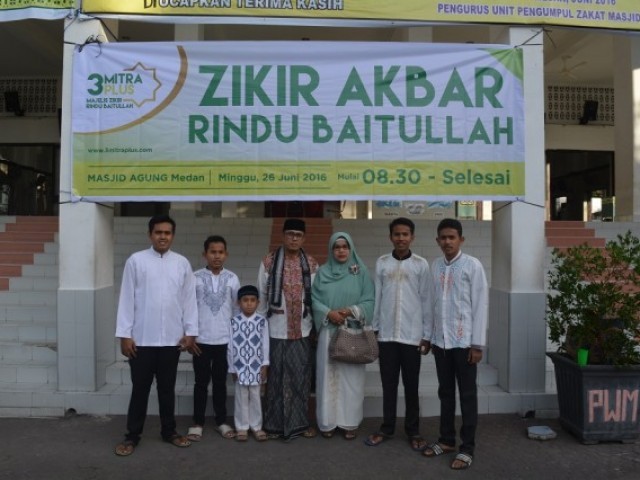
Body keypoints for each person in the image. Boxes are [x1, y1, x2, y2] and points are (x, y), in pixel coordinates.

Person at [114, 215, 198, 456]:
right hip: (141, 340)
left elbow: (189, 300)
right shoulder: (136, 261)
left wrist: (191, 331)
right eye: (158, 232)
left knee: (167, 388)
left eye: (167, 233)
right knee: (139, 389)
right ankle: (132, 436)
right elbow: (127, 298)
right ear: (150, 234)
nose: (163, 236)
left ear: (172, 235)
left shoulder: (181, 263)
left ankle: (169, 431)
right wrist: (124, 335)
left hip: (171, 341)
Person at [422, 218, 488, 471]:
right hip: (441, 343)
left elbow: (480, 305)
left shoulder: (473, 266)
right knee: (446, 393)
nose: (447, 241)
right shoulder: (435, 266)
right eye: (443, 238)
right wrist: (427, 336)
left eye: (452, 237)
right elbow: (430, 304)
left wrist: (477, 345)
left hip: (464, 344)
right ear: (437, 241)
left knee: (468, 396)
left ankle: (467, 448)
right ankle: (447, 440)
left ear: (461, 239)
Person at [365, 217, 431, 452]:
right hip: (386, 337)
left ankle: (413, 431)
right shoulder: (382, 263)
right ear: (390, 237)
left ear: (412, 237)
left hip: (412, 336)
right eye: (397, 234)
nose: (401, 238)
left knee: (411, 386)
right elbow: (378, 297)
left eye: (405, 234)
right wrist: (373, 329)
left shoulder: (421, 265)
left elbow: (426, 300)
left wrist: (427, 334)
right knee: (388, 384)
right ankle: (387, 428)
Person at [257, 218, 319, 440]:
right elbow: (262, 299)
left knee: (300, 378)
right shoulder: (268, 262)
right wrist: (260, 330)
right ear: (283, 236)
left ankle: (300, 424)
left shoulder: (311, 263)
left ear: (304, 238)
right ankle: (274, 425)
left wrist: (314, 328)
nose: (294, 238)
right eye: (290, 233)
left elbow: (315, 298)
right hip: (275, 330)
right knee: (276, 379)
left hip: (302, 331)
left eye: (298, 235)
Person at [312, 232, 375, 440]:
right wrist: (329, 313)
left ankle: (349, 422)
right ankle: (328, 422)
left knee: (351, 379)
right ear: (331, 250)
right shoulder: (322, 273)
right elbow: (313, 299)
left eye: (345, 246)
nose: (341, 250)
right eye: (337, 247)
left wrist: (347, 312)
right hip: (329, 331)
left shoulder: (361, 272)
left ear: (351, 249)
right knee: (327, 377)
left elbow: (369, 301)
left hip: (352, 332)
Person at [187, 235, 240, 443]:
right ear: (204, 255)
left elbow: (236, 310)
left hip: (224, 340)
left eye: (220, 252)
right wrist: (191, 336)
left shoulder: (232, 278)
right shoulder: (195, 277)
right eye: (212, 252)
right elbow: (188, 308)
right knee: (200, 382)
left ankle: (221, 421)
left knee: (220, 383)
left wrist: (236, 339)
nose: (216, 256)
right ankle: (197, 423)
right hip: (200, 340)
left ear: (226, 254)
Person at [228, 285, 270, 442]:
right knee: (241, 396)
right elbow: (230, 346)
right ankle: (242, 427)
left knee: (255, 396)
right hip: (240, 366)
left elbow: (265, 343)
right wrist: (232, 367)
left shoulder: (261, 322)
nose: (249, 304)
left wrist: (264, 364)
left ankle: (257, 426)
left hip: (256, 366)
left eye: (253, 300)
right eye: (245, 300)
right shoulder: (233, 322)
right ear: (239, 302)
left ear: (258, 302)